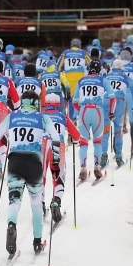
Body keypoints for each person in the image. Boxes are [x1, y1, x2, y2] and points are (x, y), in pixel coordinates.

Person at [0, 90, 60, 255]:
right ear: (36, 103)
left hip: (15, 161)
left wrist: (9, 137)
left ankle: (11, 225)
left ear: (22, 102)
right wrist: (56, 161)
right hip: (34, 162)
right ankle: (37, 241)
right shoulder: (42, 117)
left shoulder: (12, 116)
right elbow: (56, 136)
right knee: (36, 203)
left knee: (14, 200)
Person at [73, 60, 115, 177]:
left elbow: (74, 101)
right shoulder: (103, 80)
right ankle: (97, 167)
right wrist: (111, 112)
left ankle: (83, 168)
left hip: (84, 111)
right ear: (99, 70)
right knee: (97, 141)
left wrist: (80, 110)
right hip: (98, 111)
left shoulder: (81, 80)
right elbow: (113, 97)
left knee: (83, 143)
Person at [42, 93, 80, 222]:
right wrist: (75, 140)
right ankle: (56, 201)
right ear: (58, 104)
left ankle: (40, 205)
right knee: (59, 177)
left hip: (41, 146)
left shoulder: (39, 116)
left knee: (40, 177)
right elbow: (76, 135)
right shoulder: (63, 117)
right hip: (58, 146)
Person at [57, 38, 91, 120]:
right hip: (81, 81)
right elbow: (91, 64)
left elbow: (58, 67)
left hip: (69, 82)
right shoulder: (83, 53)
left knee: (71, 101)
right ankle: (82, 120)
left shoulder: (65, 53)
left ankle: (71, 122)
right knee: (81, 101)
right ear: (79, 45)